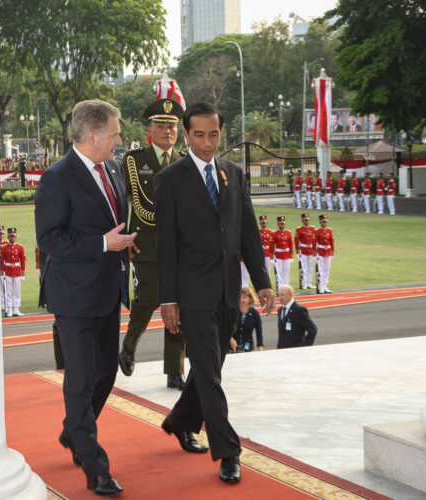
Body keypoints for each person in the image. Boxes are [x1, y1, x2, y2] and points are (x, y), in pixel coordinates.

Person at [154, 102, 274, 485]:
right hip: (190, 296)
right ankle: (228, 451)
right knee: (207, 372)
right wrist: (168, 299)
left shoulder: (233, 174)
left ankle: (179, 419)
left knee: (211, 369)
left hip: (227, 292)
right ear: (186, 135)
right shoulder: (171, 179)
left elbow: (248, 233)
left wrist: (263, 281)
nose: (208, 143)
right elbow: (165, 246)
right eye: (200, 135)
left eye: (214, 134)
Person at [34, 99, 134, 497]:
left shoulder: (111, 168)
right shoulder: (57, 177)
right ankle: (95, 468)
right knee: (80, 380)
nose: (119, 140)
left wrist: (122, 245)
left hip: (108, 290)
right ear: (91, 136)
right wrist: (103, 244)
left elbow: (112, 224)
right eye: (114, 133)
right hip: (73, 295)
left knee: (106, 373)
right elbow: (49, 238)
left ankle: (72, 431)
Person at [118, 98, 187, 391]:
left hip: (180, 247)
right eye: (161, 125)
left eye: (171, 126)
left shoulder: (185, 160)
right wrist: (123, 240)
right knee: (147, 302)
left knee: (178, 307)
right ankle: (129, 346)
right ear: (150, 129)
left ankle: (174, 370)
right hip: (145, 243)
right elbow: (123, 203)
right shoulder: (135, 160)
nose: (167, 131)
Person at [1, 228, 26, 317]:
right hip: (7, 271)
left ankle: (16, 308)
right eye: (11, 236)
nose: (13, 238)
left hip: (16, 272)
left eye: (14, 236)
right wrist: (2, 273)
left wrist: (23, 273)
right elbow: (1, 261)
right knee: (8, 291)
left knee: (17, 291)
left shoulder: (20, 247)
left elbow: (22, 260)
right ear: (8, 237)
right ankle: (9, 309)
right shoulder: (4, 248)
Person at [229, 287, 264, 353]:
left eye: (244, 297)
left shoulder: (255, 313)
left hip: (248, 349)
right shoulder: (232, 312)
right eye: (240, 297)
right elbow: (225, 328)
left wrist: (261, 351)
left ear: (250, 299)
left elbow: (259, 334)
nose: (241, 300)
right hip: (231, 349)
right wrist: (230, 339)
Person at [294, 214, 317, 290]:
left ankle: (309, 282)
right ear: (302, 221)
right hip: (303, 250)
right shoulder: (299, 230)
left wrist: (315, 251)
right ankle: (304, 283)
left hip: (310, 250)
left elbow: (315, 241)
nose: (306, 221)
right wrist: (297, 252)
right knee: (304, 268)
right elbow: (296, 241)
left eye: (307, 220)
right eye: (305, 220)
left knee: (310, 268)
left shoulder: (313, 229)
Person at [314, 214, 335, 294]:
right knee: (321, 270)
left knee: (327, 270)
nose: (324, 223)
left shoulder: (329, 231)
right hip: (321, 252)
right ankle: (321, 286)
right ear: (320, 222)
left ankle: (325, 285)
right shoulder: (317, 231)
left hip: (328, 252)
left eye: (325, 222)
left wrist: (332, 253)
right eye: (323, 222)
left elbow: (332, 242)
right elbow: (314, 243)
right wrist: (315, 254)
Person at [272, 216, 293, 287]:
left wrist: (291, 256)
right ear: (278, 224)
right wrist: (272, 257)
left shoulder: (288, 233)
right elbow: (272, 246)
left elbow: (290, 245)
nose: (282, 225)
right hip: (278, 256)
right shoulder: (275, 234)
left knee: (286, 272)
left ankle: (286, 286)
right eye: (281, 223)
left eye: (283, 223)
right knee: (279, 272)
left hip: (286, 255)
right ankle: (280, 287)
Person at [0, 225, 8, 314]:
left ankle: (4, 305)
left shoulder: (6, 244)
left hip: (4, 269)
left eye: (2, 234)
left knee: (4, 288)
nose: (0, 235)